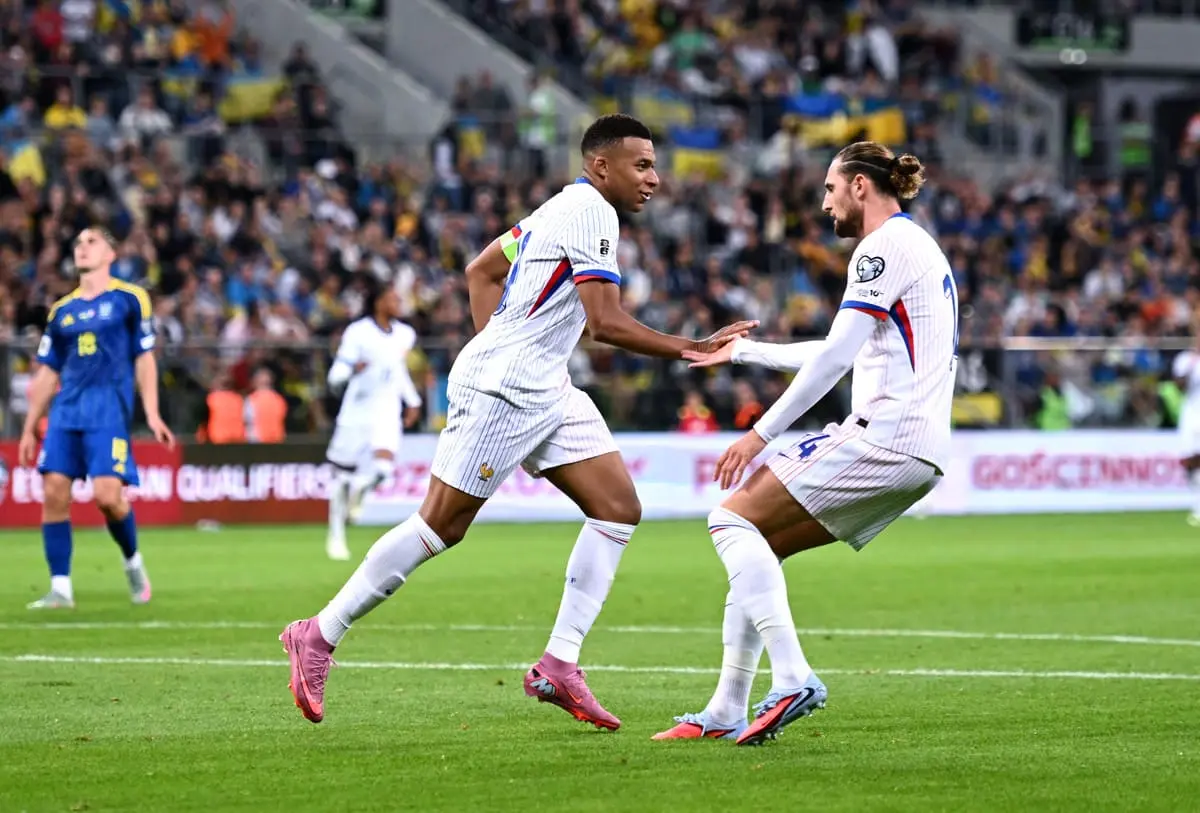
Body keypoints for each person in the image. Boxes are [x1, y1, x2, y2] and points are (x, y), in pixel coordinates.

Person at [280, 114, 756, 729]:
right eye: (642, 165)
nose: (655, 179)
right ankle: (318, 634)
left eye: (654, 165)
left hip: (546, 384)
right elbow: (605, 324)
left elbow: (481, 270)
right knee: (441, 526)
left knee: (617, 507)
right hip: (506, 388)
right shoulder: (591, 213)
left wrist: (506, 343)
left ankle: (559, 664)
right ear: (600, 166)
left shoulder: (554, 210)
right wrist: (692, 347)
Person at [653, 142, 956, 746]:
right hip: (918, 448)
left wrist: (760, 434)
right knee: (755, 543)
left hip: (885, 435)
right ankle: (725, 709)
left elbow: (836, 360)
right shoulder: (916, 246)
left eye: (829, 189)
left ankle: (792, 677)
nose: (825, 205)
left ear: (861, 187)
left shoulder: (882, 247)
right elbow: (843, 347)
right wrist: (742, 351)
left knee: (729, 521)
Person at [18, 226, 176, 609]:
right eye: (78, 244)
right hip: (66, 411)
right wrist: (27, 428)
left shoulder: (130, 298)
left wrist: (152, 413)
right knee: (54, 491)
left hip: (108, 410)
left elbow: (144, 358)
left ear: (111, 253)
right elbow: (47, 372)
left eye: (92, 242)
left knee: (108, 498)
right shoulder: (61, 311)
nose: (82, 248)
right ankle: (61, 589)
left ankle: (132, 560)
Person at [324, 280, 423, 560]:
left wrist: (412, 400)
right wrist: (345, 374)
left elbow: (397, 370)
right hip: (356, 411)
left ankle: (361, 489)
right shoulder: (358, 332)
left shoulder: (405, 334)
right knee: (341, 477)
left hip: (387, 411)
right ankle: (336, 537)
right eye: (393, 298)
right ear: (379, 302)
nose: (398, 303)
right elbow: (339, 370)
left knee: (382, 470)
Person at [1172, 333, 1200, 525]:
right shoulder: (1185, 359)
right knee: (1190, 460)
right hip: (1191, 415)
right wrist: (1189, 369)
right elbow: (1179, 387)